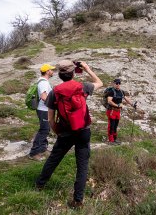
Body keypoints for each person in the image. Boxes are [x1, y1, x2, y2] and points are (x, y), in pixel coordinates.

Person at [35, 60, 102, 209]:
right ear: (73, 73)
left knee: (54, 158)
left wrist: (58, 131)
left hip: (65, 131)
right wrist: (87, 68)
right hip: (83, 130)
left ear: (59, 74)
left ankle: (39, 185)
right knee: (82, 165)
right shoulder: (83, 87)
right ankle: (78, 200)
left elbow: (51, 118)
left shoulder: (55, 92)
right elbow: (100, 82)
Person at [28, 63, 55, 161]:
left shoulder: (44, 81)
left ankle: (43, 149)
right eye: (51, 70)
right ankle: (34, 153)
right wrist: (54, 104)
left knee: (46, 129)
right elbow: (44, 97)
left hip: (44, 109)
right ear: (47, 71)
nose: (53, 71)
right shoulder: (43, 82)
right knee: (43, 130)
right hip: (43, 110)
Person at [106, 78, 136, 145]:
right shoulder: (111, 91)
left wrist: (132, 104)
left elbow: (126, 99)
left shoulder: (121, 91)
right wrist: (117, 105)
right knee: (111, 125)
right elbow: (109, 101)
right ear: (114, 84)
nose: (118, 84)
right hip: (111, 111)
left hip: (118, 111)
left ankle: (115, 139)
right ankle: (111, 140)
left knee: (115, 125)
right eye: (116, 83)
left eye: (119, 83)